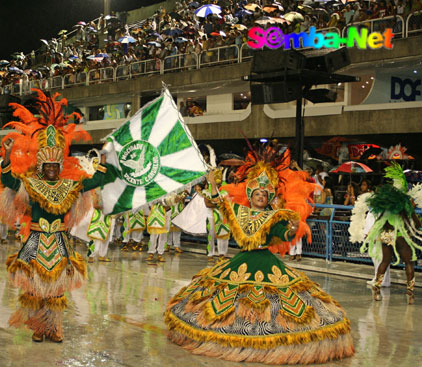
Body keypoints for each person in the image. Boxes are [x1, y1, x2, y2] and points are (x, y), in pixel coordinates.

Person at [164, 146, 354, 365]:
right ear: (251, 196)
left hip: (267, 263)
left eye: (264, 194)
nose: (261, 197)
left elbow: (283, 233)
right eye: (257, 194)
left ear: (269, 197)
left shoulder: (275, 216)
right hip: (241, 261)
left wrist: (292, 229)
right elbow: (218, 201)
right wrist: (213, 181)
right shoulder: (238, 211)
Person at [0, 90, 108, 343]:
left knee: (56, 290)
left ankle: (54, 327)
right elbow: (6, 179)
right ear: (42, 167)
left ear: (59, 167)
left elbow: (95, 181)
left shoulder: (69, 187)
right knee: (35, 288)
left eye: (56, 166)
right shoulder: (30, 184)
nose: (53, 170)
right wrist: (7, 155)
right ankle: (37, 326)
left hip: (58, 242)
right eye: (48, 167)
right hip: (35, 241)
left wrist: (105, 161)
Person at [350, 162, 422, 304]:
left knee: (384, 262)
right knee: (409, 262)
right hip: (400, 235)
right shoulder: (405, 203)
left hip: (385, 234)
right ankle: (410, 293)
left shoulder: (385, 204)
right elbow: (416, 222)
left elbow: (379, 220)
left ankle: (376, 290)